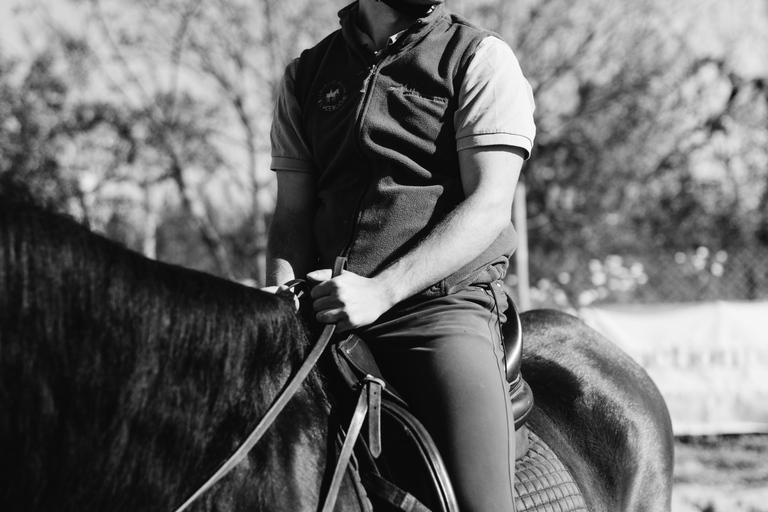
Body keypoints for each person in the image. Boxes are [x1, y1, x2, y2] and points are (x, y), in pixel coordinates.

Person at [266, 0, 535, 510]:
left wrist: (381, 292)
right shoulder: (305, 74)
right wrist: (282, 294)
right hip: (324, 306)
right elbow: (291, 214)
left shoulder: (479, 57)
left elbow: (491, 205)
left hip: (440, 310)